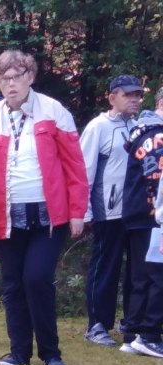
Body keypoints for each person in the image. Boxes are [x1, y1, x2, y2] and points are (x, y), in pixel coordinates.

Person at [0, 50, 88, 365]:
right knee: (11, 283)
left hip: (50, 216)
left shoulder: (54, 111)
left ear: (30, 77)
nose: (11, 84)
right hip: (5, 216)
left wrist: (79, 211)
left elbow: (75, 166)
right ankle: (19, 352)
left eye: (17, 77)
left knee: (37, 278)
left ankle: (51, 353)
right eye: (5, 79)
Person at [81, 75, 143, 347]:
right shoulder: (98, 127)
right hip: (108, 211)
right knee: (105, 268)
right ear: (112, 97)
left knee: (137, 271)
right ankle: (97, 324)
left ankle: (132, 322)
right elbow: (84, 171)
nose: (134, 99)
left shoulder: (140, 126)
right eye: (128, 94)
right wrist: (83, 213)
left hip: (137, 210)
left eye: (138, 95)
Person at [122, 90, 163, 365]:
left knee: (144, 275)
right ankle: (147, 334)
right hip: (151, 215)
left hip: (145, 214)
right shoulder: (155, 135)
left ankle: (133, 332)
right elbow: (155, 175)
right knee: (154, 276)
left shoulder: (146, 130)